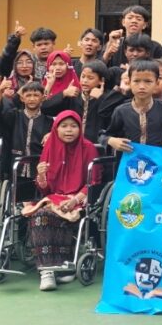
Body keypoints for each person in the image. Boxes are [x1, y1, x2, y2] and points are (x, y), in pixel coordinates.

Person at [25, 111, 99, 291]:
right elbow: (45, 189)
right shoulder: (49, 147)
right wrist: (41, 175)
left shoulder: (88, 148)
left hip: (79, 199)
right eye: (64, 126)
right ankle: (47, 271)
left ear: (80, 128)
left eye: (73, 126)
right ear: (56, 129)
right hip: (54, 197)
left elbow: (94, 182)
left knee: (54, 215)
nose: (69, 130)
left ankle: (64, 263)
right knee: (40, 215)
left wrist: (74, 200)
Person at [100, 60, 162, 152]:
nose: (142, 86)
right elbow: (105, 135)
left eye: (148, 81)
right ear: (129, 82)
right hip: (130, 159)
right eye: (136, 81)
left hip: (158, 158)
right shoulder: (121, 111)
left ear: (156, 83)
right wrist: (111, 140)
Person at [42, 60, 125, 143]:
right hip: (74, 144)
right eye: (83, 76)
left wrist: (101, 98)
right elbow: (45, 108)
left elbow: (115, 120)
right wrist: (63, 94)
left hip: (99, 145)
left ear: (101, 80)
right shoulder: (73, 96)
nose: (85, 81)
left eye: (90, 78)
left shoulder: (109, 98)